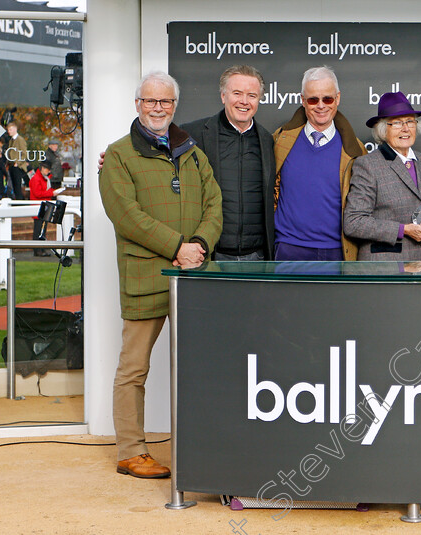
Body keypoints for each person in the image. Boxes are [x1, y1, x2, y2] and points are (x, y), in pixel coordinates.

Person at [99, 72, 222, 479]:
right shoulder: (117, 156)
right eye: (150, 101)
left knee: (204, 364)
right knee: (134, 368)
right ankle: (131, 451)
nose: (158, 108)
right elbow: (126, 216)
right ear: (137, 104)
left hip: (192, 276)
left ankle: (205, 444)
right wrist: (177, 247)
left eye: (165, 102)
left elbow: (214, 203)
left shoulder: (191, 151)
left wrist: (200, 244)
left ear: (174, 106)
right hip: (145, 276)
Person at [181, 65, 276, 261]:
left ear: (259, 99)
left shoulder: (267, 140)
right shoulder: (193, 134)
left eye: (252, 95)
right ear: (223, 96)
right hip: (211, 254)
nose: (244, 101)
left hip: (257, 257)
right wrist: (116, 157)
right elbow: (156, 149)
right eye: (237, 93)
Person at [272, 66, 367, 261]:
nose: (321, 105)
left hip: (337, 251)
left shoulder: (356, 151)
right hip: (289, 249)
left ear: (338, 98)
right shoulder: (279, 141)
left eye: (328, 99)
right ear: (303, 101)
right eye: (313, 99)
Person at [343, 91, 421, 260]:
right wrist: (404, 230)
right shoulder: (368, 165)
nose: (406, 128)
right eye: (397, 123)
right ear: (382, 130)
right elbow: (354, 222)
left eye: (410, 121)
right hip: (386, 267)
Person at [29, 161, 66, 256]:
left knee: (42, 229)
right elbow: (38, 193)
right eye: (47, 169)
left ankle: (40, 249)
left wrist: (53, 192)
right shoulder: (36, 179)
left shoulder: (43, 178)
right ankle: (38, 250)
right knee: (38, 230)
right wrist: (51, 193)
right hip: (38, 206)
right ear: (42, 169)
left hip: (42, 206)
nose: (49, 171)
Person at [6, 122, 28, 199]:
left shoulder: (20, 140)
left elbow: (24, 154)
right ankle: (17, 202)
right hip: (12, 166)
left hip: (17, 167)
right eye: (8, 130)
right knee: (14, 187)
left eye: (11, 129)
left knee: (17, 187)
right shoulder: (11, 140)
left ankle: (20, 203)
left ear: (15, 129)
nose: (9, 131)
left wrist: (17, 163)